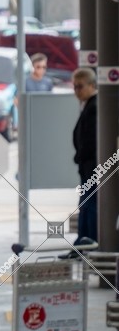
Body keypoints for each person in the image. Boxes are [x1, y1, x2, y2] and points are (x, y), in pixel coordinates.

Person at [72, 67, 98, 245]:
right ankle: (83, 241)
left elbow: (89, 139)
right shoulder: (89, 105)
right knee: (85, 204)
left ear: (92, 85)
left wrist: (80, 156)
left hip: (92, 166)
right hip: (87, 165)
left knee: (89, 205)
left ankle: (87, 242)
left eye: (80, 87)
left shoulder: (95, 107)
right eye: (74, 87)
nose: (76, 91)